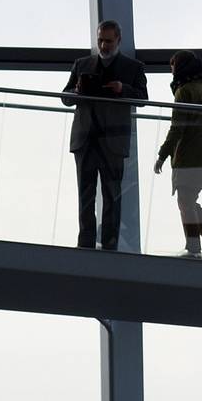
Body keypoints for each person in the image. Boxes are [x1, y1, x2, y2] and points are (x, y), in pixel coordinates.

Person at [61, 20, 149, 251]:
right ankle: (86, 245)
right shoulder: (82, 64)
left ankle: (109, 246)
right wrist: (77, 90)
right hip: (85, 139)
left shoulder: (133, 68)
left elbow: (143, 99)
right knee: (86, 195)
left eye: (108, 41)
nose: (103, 44)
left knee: (112, 196)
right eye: (100, 40)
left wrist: (123, 89)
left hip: (113, 142)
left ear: (118, 40)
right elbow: (65, 97)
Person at [154, 50, 202, 257]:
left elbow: (177, 127)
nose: (171, 72)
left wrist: (163, 154)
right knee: (189, 200)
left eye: (173, 67)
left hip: (191, 154)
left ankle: (193, 246)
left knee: (185, 201)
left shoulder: (184, 90)